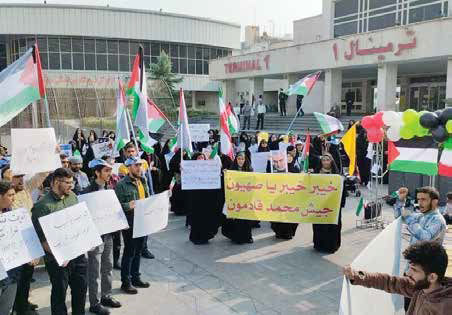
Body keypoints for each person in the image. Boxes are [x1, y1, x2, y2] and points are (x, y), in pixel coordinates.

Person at [31, 168, 88, 315]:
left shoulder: (73, 197)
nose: (71, 186)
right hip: (58, 261)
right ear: (56, 182)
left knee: (80, 290)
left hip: (78, 255)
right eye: (68, 182)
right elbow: (40, 239)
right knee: (59, 295)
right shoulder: (42, 206)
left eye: (72, 182)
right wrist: (61, 254)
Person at [343, 241, 452, 314]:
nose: (408, 273)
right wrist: (356, 276)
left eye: (414, 270)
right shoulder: (419, 287)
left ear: (432, 277)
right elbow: (389, 282)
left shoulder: (445, 308)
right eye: (410, 268)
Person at [82, 159, 121, 315]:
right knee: (94, 271)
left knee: (108, 266)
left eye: (110, 171)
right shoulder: (86, 192)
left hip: (108, 235)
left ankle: (106, 295)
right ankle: (94, 303)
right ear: (97, 172)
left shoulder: (110, 188)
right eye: (106, 171)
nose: (109, 174)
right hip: (95, 237)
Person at [11, 170, 47, 315]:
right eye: (15, 177)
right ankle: (18, 307)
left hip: (29, 237)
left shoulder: (25, 188)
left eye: (21, 177)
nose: (20, 180)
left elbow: (41, 176)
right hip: (15, 242)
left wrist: (50, 154)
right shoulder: (6, 195)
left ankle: (24, 302)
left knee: (27, 274)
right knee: (17, 278)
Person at [114, 156, 150, 294]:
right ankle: (126, 282)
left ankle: (136, 277)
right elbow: (116, 206)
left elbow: (146, 198)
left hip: (142, 221)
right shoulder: (121, 185)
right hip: (130, 223)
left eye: (140, 165)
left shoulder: (143, 181)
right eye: (136, 166)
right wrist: (128, 205)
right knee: (129, 252)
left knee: (139, 251)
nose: (139, 168)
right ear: (129, 167)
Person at [117, 142, 154, 260]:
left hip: (142, 213)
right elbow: (119, 203)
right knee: (130, 251)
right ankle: (127, 277)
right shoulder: (122, 170)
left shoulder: (143, 173)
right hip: (131, 218)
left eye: (133, 151)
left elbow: (148, 187)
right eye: (129, 152)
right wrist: (129, 205)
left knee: (139, 246)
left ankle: (144, 249)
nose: (131, 153)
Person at [312, 154, 346, 253]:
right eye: (324, 160)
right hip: (319, 204)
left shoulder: (337, 175)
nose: (326, 162)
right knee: (319, 225)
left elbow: (343, 190)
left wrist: (341, 203)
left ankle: (332, 245)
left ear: (331, 161)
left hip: (333, 206)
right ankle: (319, 245)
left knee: (333, 226)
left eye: (328, 160)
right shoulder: (316, 174)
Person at [187, 153, 223, 245]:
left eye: (202, 157)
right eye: (199, 158)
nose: (201, 159)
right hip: (196, 199)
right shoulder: (191, 169)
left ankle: (206, 236)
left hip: (207, 198)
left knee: (206, 217)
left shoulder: (209, 168)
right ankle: (196, 237)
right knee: (197, 219)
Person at [0, 181, 23, 315]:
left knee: (6, 307)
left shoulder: (13, 215)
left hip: (12, 271)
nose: (14, 198)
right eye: (10, 195)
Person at [222, 152, 254, 244]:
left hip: (246, 198)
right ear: (236, 160)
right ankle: (237, 237)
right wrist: (225, 174)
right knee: (237, 220)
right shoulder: (231, 170)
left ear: (245, 160)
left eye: (242, 159)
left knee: (247, 219)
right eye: (239, 159)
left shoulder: (250, 170)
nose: (241, 161)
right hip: (236, 199)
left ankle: (248, 237)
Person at [270, 153, 300, 240]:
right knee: (278, 215)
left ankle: (289, 233)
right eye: (286, 157)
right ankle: (278, 232)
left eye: (290, 156)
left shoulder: (295, 168)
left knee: (289, 216)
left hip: (290, 197)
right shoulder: (276, 168)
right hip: (277, 196)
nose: (288, 158)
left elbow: (300, 181)